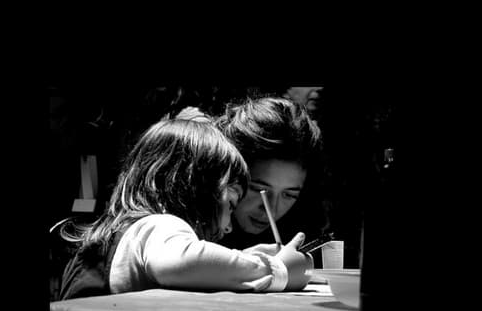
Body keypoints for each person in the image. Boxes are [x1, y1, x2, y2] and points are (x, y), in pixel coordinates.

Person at [58, 112, 313, 300]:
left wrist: (243, 257)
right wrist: (276, 270)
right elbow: (180, 263)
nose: (227, 227)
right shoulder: (161, 225)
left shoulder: (128, 231)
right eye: (230, 204)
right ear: (200, 190)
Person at [214, 96, 329, 260]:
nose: (271, 210)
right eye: (258, 189)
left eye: (289, 195)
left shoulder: (303, 228)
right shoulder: (189, 231)